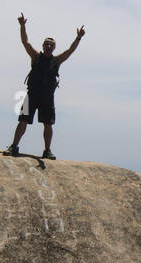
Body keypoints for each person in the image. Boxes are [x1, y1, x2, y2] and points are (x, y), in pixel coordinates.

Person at [5, 13, 84, 159]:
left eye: (51, 44)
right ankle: (14, 146)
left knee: (48, 124)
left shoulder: (56, 61)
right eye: (46, 44)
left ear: (54, 47)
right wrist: (22, 26)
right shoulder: (36, 57)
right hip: (32, 95)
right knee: (23, 120)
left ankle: (47, 151)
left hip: (47, 97)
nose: (48, 46)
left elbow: (70, 51)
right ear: (43, 46)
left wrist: (78, 38)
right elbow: (25, 42)